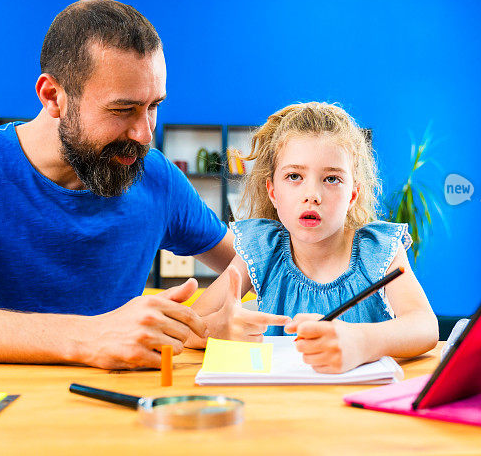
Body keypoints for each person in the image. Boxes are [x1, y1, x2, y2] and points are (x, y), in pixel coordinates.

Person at [0, 0, 236, 369]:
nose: (144, 134)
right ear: (53, 96)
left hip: (114, 411)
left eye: (153, 106)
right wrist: (90, 337)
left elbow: (252, 260)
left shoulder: (159, 177)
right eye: (122, 110)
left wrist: (197, 323)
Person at [188, 102, 438, 373]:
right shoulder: (262, 249)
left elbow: (425, 326)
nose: (312, 195)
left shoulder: (377, 250)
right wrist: (218, 329)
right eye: (294, 176)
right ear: (273, 192)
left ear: (352, 194)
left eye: (331, 179)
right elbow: (187, 327)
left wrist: (363, 341)